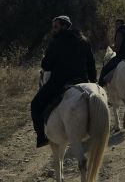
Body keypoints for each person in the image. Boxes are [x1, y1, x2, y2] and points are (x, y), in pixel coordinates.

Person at [30, 15, 97, 147]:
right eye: (53, 27)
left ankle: (42, 137)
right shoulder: (84, 40)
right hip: (83, 81)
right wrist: (94, 82)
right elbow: (91, 64)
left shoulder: (56, 41)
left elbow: (46, 65)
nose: (53, 30)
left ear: (64, 26)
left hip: (60, 82)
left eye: (55, 27)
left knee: (35, 104)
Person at [99, 18, 125, 86]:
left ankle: (100, 85)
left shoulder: (120, 32)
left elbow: (117, 49)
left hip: (123, 56)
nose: (116, 26)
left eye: (117, 24)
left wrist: (111, 47)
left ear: (121, 24)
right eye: (115, 24)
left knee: (105, 69)